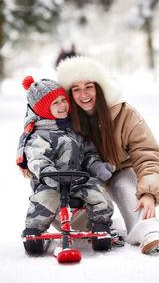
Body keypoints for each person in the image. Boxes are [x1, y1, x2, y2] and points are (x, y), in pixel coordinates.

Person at [56, 56, 159, 254]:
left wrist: (148, 193)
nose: (83, 94)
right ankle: (101, 227)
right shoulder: (64, 117)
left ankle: (149, 230)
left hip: (119, 171)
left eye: (89, 86)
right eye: (76, 89)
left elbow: (147, 153)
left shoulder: (124, 113)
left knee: (123, 186)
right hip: (84, 177)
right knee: (55, 206)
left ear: (100, 88)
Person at [17, 76, 115, 255]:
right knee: (44, 201)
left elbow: (87, 154)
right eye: (55, 103)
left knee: (98, 192)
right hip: (51, 182)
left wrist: (96, 166)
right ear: (43, 108)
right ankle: (34, 230)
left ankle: (100, 226)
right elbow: (37, 159)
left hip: (79, 180)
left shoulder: (74, 129)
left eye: (64, 100)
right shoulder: (39, 135)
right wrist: (48, 173)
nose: (63, 106)